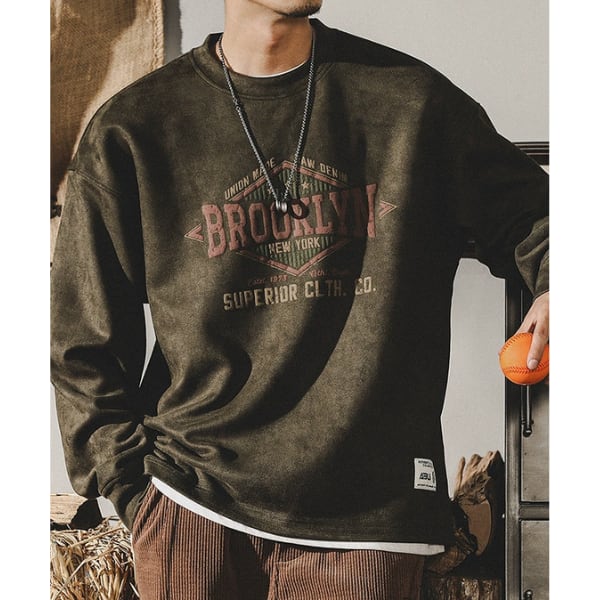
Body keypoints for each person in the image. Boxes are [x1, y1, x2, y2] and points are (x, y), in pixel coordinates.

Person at [50, 1, 549, 598]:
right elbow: (83, 339)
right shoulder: (134, 129)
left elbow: (536, 217)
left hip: (368, 520)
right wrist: (133, 492)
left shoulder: (411, 104)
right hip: (192, 505)